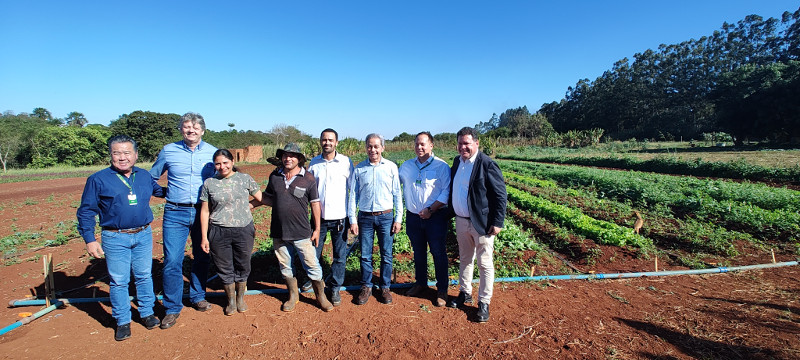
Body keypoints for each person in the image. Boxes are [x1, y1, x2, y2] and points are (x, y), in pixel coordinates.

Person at [77, 135, 166, 341]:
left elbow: (160, 191)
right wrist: (90, 239)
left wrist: (191, 193)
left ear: (135, 155)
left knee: (144, 275)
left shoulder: (144, 176)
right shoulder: (98, 179)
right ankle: (122, 320)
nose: (122, 157)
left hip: (143, 234)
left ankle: (146, 313)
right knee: (119, 281)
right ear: (111, 155)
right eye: (117, 153)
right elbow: (86, 211)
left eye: (127, 153)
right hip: (115, 237)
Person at [149, 112, 217, 329]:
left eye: (196, 127)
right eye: (187, 127)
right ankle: (172, 307)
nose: (191, 130)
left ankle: (198, 296)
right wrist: (163, 192)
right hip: (175, 211)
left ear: (203, 131)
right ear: (181, 129)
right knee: (172, 260)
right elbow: (151, 177)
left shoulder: (212, 152)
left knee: (202, 256)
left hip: (202, 212)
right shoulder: (169, 150)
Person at [254, 143, 333, 312]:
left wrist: (317, 229)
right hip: (279, 231)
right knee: (285, 266)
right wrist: (250, 205)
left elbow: (315, 205)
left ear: (299, 159)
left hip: (302, 232)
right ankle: (293, 296)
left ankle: (321, 296)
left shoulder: (308, 178)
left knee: (312, 265)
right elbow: (269, 198)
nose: (288, 158)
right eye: (285, 155)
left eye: (292, 156)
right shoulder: (274, 176)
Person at [446, 126, 507, 323]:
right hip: (462, 221)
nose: (463, 147)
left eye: (467, 143)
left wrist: (497, 222)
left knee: (484, 263)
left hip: (481, 223)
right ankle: (465, 293)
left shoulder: (487, 164)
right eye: (460, 143)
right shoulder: (457, 162)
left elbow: (500, 195)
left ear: (476, 144)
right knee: (465, 259)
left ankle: (484, 302)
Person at [199, 149, 262, 315]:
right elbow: (205, 211)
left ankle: (240, 298)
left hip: (243, 229)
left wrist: (248, 206)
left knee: (243, 264)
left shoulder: (244, 179)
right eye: (218, 164)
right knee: (224, 267)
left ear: (232, 162)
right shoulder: (209, 183)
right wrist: (204, 237)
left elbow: (261, 198)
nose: (222, 166)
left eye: (225, 162)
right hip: (219, 231)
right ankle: (231, 301)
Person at [348, 133, 403, 305]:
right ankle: (366, 286)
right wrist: (353, 219)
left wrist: (398, 218)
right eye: (370, 146)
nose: (373, 150)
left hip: (386, 216)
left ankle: (385, 287)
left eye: (376, 146)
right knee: (365, 254)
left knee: (386, 254)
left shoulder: (391, 167)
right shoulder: (359, 168)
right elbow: (353, 196)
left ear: (382, 148)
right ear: (366, 148)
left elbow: (397, 194)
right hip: (365, 217)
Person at [398, 131, 451, 307]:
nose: (419, 147)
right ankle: (421, 283)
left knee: (438, 253)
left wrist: (430, 209)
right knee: (418, 253)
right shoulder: (406, 166)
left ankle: (442, 289)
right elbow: (395, 185)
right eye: (417, 144)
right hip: (413, 217)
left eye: (423, 144)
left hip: (435, 217)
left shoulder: (441, 166)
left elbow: (446, 191)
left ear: (431, 145)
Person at [307, 128, 354, 306]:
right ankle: (316, 284)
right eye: (324, 140)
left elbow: (353, 190)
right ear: (320, 141)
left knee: (339, 256)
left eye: (330, 140)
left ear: (336, 142)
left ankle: (335, 288)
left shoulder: (345, 162)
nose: (327, 143)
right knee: (314, 254)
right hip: (319, 219)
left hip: (340, 218)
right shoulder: (314, 163)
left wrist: (352, 216)